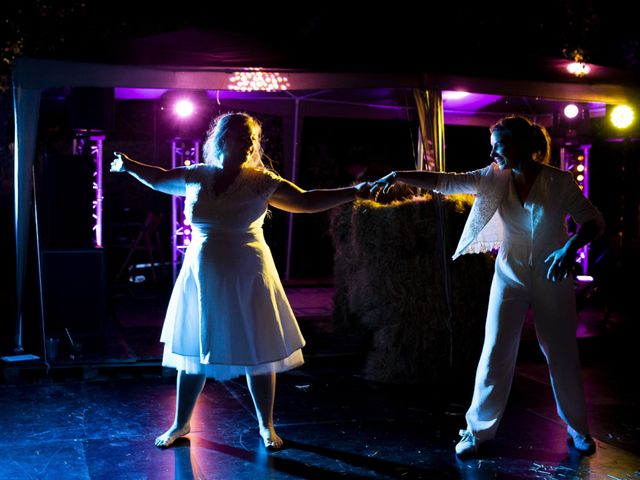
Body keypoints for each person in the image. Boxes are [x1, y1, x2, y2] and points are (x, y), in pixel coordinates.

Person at [110, 112, 371, 449]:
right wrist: (130, 164)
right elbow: (159, 178)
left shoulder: (261, 181)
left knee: (256, 347)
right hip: (201, 275)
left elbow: (305, 201)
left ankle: (266, 426)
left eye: (252, 138)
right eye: (241, 136)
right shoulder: (197, 175)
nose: (250, 143)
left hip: (248, 273)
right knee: (194, 348)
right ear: (222, 139)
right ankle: (180, 423)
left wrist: (353, 193)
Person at [370, 115, 604, 457]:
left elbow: (593, 222)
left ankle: (578, 428)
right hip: (509, 275)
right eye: (492, 146)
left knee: (562, 353)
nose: (494, 152)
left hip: (551, 277)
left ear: (523, 145)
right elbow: (447, 182)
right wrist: (400, 174)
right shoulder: (493, 178)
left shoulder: (558, 181)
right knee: (495, 350)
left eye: (500, 145)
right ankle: (476, 431)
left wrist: (569, 248)